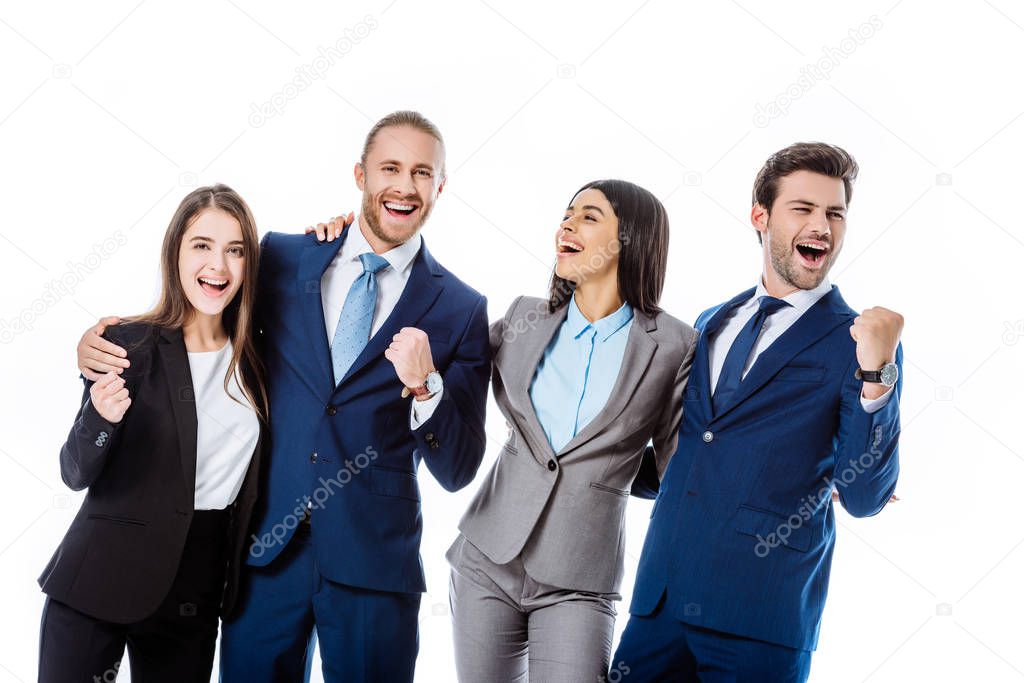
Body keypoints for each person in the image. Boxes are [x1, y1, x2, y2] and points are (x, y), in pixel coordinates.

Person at [75, 111, 490, 682]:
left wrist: (425, 387)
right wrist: (102, 345)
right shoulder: (282, 258)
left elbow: (460, 466)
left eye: (422, 172)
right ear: (360, 176)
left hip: (375, 564)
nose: (404, 185)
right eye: (389, 168)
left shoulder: (462, 309)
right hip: (264, 552)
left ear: (440, 187)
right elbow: (201, 317)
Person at [611, 142, 904, 682]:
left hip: (763, 618)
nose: (822, 226)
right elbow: (692, 450)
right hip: (660, 603)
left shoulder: (859, 344)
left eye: (835, 213)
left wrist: (877, 372)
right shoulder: (711, 321)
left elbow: (862, 496)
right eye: (804, 209)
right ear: (760, 216)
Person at [451, 179, 695, 681]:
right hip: (487, 557)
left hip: (581, 578)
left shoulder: (673, 345)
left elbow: (679, 466)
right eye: (566, 213)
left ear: (632, 238)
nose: (567, 223)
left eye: (589, 216)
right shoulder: (524, 317)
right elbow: (451, 375)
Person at [39, 184, 267, 682]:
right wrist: (100, 419)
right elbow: (74, 472)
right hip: (98, 580)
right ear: (176, 254)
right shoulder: (127, 345)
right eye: (202, 246)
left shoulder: (260, 360)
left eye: (236, 250)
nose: (219, 267)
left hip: (195, 592)